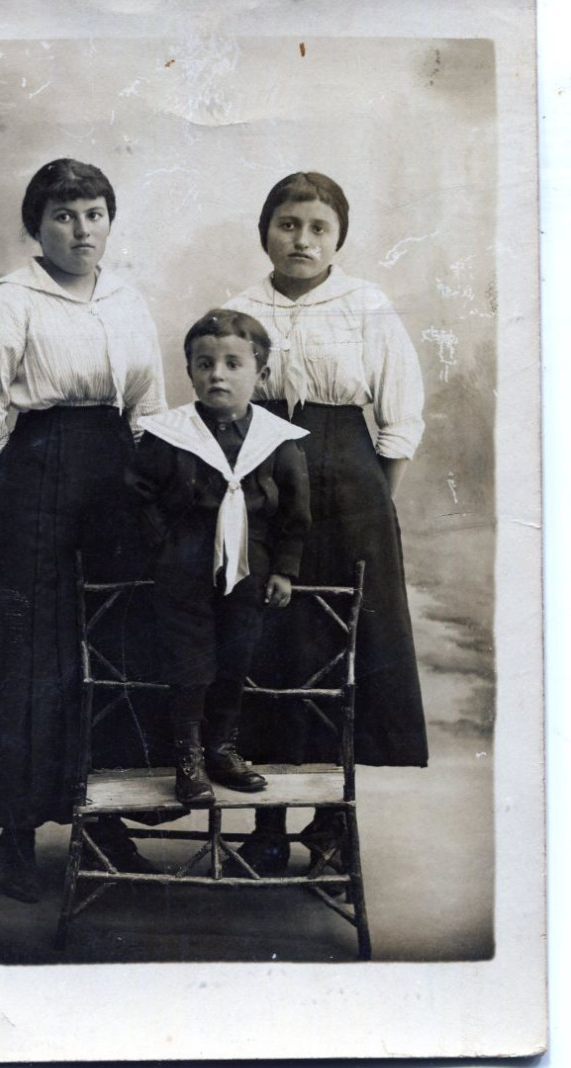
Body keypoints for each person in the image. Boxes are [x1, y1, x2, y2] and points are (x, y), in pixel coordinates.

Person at [0, 158, 167, 902]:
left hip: (116, 478)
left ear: (109, 221)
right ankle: (17, 830)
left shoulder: (127, 301)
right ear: (36, 227)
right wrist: (25, 466)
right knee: (33, 644)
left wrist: (141, 477)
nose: (82, 229)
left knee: (111, 638)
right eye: (65, 215)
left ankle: (105, 822)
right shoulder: (10, 302)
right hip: (37, 476)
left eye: (94, 213)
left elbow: (148, 403)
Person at [224, 171, 429, 874]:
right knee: (265, 649)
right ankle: (266, 824)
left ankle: (330, 821)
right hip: (261, 491)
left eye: (316, 227)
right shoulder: (238, 308)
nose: (301, 239)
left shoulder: (367, 306)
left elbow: (399, 421)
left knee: (338, 654)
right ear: (265, 231)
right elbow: (218, 402)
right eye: (287, 224)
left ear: (338, 236)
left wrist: (369, 505)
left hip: (350, 493)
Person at [127, 309, 311, 806]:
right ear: (189, 372)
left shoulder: (276, 440)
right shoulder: (170, 435)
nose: (218, 375)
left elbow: (294, 514)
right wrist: (164, 549)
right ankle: (187, 755)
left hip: (249, 570)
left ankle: (222, 747)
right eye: (204, 364)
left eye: (233, 364)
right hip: (184, 568)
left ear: (261, 373)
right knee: (191, 664)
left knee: (236, 657)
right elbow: (139, 497)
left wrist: (285, 571)